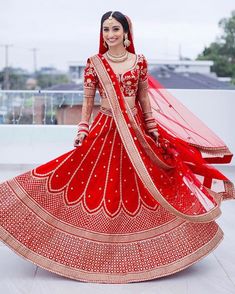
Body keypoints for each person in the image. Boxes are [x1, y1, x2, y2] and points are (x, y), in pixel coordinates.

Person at [0, 10, 234, 284]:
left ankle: (148, 250)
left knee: (145, 187)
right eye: (106, 30)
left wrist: (153, 130)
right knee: (88, 182)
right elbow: (88, 101)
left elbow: (144, 99)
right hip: (106, 129)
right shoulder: (94, 63)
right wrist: (82, 127)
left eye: (115, 29)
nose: (110, 35)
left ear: (126, 33)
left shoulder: (139, 62)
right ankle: (92, 246)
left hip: (137, 134)